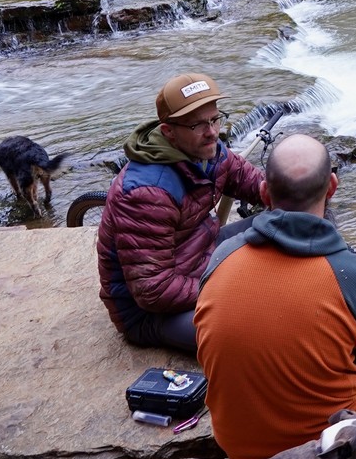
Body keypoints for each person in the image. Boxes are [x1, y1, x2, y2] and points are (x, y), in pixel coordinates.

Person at [193, 133, 356, 459]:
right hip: (325, 453)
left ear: (264, 192)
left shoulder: (223, 256)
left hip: (240, 449)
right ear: (332, 187)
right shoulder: (355, 275)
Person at [95, 73, 266, 352]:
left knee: (291, 219)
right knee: (257, 331)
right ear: (168, 132)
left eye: (215, 119)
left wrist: (297, 192)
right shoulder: (147, 192)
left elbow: (253, 183)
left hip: (204, 253)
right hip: (151, 313)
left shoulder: (208, 151)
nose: (212, 132)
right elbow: (154, 290)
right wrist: (228, 287)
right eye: (197, 124)